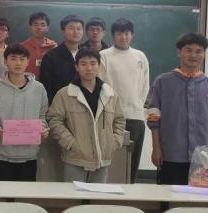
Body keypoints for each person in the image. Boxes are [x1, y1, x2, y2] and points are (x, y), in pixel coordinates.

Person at [147, 33, 208, 186]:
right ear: (179, 52)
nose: (193, 55)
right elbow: (154, 119)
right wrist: (156, 148)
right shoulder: (162, 82)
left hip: (204, 159)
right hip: (172, 154)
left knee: (201, 198)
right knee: (169, 197)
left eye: (199, 51)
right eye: (188, 50)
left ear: (204, 54)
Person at [47, 48, 126, 183]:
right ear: (76, 67)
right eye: (83, 64)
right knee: (73, 195)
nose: (89, 68)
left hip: (102, 158)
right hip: (75, 158)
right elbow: (54, 120)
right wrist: (71, 143)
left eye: (93, 63)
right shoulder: (65, 94)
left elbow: (119, 120)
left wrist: (114, 142)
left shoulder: (110, 94)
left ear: (99, 66)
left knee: (97, 195)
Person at [0, 45, 49, 181]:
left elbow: (42, 116)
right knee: (1, 193)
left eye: (22, 59)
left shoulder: (39, 88)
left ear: (28, 62)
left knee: (25, 193)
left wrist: (43, 128)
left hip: (29, 154)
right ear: (5, 62)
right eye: (13, 59)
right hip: (2, 154)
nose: (18, 63)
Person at [99, 18, 150, 183]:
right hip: (111, 117)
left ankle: (130, 192)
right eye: (119, 33)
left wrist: (138, 105)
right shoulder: (104, 55)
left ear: (132, 35)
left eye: (127, 33)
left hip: (136, 116)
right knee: (111, 162)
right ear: (113, 35)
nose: (123, 37)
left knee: (132, 163)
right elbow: (101, 85)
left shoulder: (140, 56)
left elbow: (145, 85)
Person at [39, 15, 84, 103]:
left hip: (84, 104)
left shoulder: (87, 54)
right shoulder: (51, 56)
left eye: (79, 28)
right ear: (63, 32)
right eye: (71, 28)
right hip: (60, 104)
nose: (76, 32)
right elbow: (46, 87)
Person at [20, 12, 57, 79]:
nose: (39, 27)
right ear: (30, 27)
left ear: (47, 28)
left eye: (43, 24)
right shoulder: (22, 48)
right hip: (27, 83)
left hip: (49, 84)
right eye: (35, 24)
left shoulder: (54, 47)